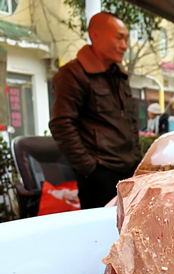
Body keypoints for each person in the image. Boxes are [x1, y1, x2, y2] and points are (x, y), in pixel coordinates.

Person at [49, 12, 142, 209]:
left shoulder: (119, 75)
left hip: (129, 169)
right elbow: (61, 124)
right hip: (99, 175)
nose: (124, 45)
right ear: (95, 35)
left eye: (126, 39)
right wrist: (89, 169)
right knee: (101, 235)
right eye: (119, 38)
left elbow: (131, 121)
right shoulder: (73, 74)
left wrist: (137, 158)